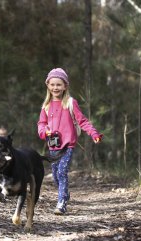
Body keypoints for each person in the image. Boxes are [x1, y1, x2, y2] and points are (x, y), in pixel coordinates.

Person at [37, 68, 103, 215]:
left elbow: (83, 121)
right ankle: (65, 194)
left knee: (62, 172)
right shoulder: (46, 106)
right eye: (52, 84)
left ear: (65, 86)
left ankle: (61, 204)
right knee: (55, 175)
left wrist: (94, 134)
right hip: (53, 145)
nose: (55, 87)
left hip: (67, 145)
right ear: (48, 85)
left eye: (59, 84)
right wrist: (44, 132)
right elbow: (41, 124)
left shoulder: (71, 103)